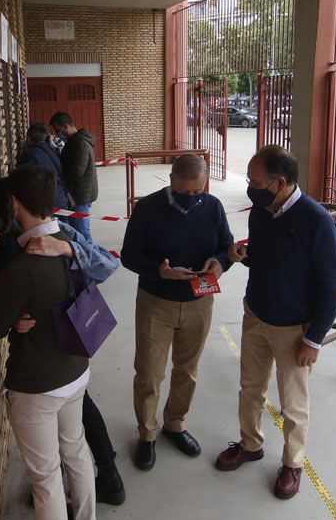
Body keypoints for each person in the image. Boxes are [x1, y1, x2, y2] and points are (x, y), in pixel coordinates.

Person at [0, 177, 125, 506]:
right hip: (75, 372)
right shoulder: (68, 238)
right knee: (76, 453)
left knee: (46, 479)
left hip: (38, 385)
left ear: (14, 204)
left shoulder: (22, 266)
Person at [215, 146, 336, 501]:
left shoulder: (316, 220)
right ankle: (250, 444)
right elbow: (264, 254)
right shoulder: (261, 211)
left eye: (255, 182)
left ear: (280, 183)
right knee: (250, 388)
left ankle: (292, 463)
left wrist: (313, 339)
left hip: (293, 329)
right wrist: (245, 255)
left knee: (293, 403)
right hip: (255, 314)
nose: (250, 187)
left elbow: (334, 286)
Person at [120, 154, 233, 471]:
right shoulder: (147, 209)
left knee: (188, 370)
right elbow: (129, 257)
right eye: (184, 193)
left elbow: (226, 246)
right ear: (171, 180)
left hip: (200, 301)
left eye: (198, 192)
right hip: (157, 300)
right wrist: (159, 271)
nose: (192, 199)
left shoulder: (212, 207)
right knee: (149, 373)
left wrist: (220, 263)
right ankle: (147, 433)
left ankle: (175, 423)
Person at [50, 112, 98, 242]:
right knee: (76, 230)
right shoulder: (74, 141)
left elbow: (76, 171)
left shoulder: (80, 143)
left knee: (82, 232)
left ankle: (91, 258)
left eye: (57, 129)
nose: (56, 133)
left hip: (81, 195)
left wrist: (60, 174)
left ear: (65, 126)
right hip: (78, 192)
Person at [18, 123, 70, 213]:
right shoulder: (51, 149)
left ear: (29, 138)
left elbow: (24, 178)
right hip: (61, 198)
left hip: (47, 202)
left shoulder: (29, 154)